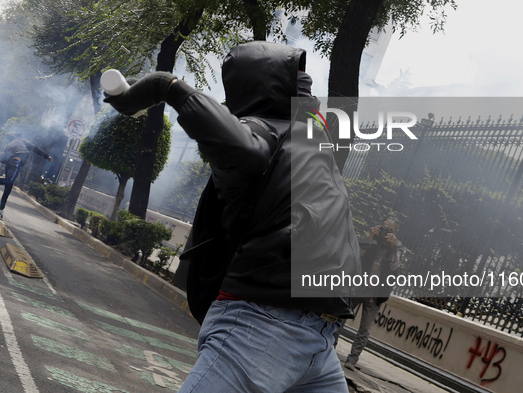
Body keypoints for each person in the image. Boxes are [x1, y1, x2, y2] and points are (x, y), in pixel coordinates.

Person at [104, 41, 360, 392]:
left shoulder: (307, 139)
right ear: (267, 85)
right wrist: (170, 88)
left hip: (321, 341)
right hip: (263, 328)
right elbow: (239, 146)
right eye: (296, 75)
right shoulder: (263, 132)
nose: (307, 82)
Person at [342, 218, 402, 371]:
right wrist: (369, 236)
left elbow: (394, 267)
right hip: (358, 288)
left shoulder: (396, 248)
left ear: (396, 233)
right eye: (385, 228)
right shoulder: (372, 239)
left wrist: (393, 247)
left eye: (391, 230)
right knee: (340, 319)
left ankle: (352, 360)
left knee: (364, 329)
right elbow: (357, 254)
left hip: (375, 294)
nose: (387, 232)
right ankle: (330, 347)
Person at [0, 132, 52, 220]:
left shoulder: (8, 146)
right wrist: (46, 156)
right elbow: (35, 148)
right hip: (15, 164)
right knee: (9, 181)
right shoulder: (21, 141)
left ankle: (1, 210)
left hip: (9, 165)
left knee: (8, 188)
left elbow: (2, 159)